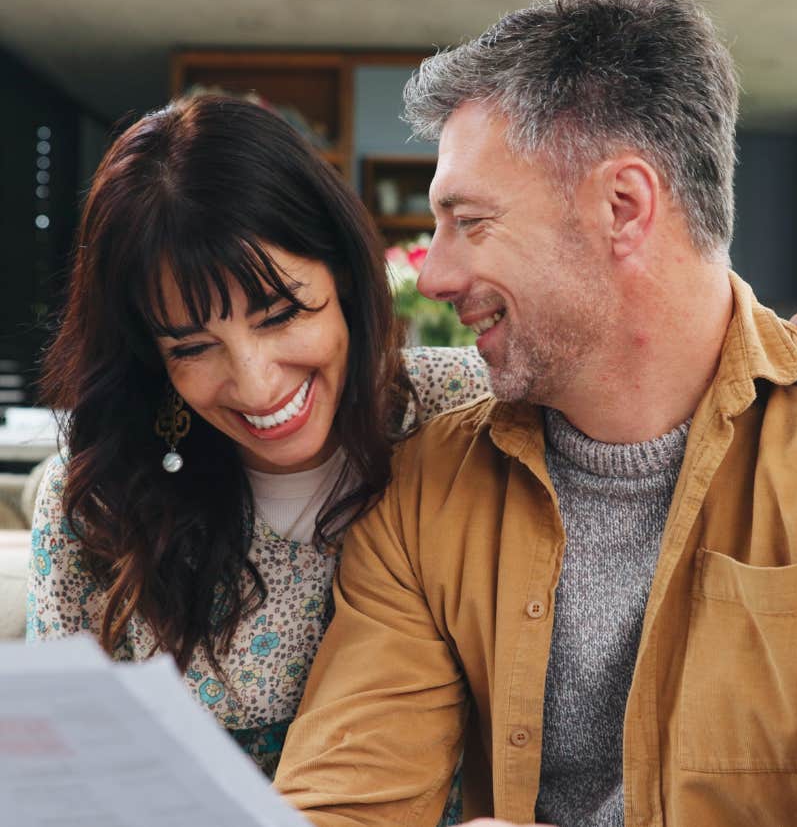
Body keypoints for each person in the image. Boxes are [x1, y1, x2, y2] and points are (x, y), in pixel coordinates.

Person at [275, 0, 797, 827]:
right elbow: (340, 808)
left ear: (623, 207)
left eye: (468, 221)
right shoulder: (427, 489)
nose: (430, 276)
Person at [25, 95, 487, 800]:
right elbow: (56, 776)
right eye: (193, 347)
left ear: (345, 278)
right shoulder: (95, 499)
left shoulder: (462, 418)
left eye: (281, 315)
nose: (255, 384)